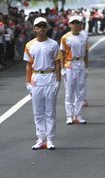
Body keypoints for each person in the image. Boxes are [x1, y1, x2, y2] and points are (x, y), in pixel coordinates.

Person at [24, 17, 62, 150]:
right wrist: (28, 83)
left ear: (47, 28)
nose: (41, 28)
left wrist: (58, 81)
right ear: (34, 29)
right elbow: (29, 66)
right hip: (36, 80)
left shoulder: (53, 44)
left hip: (50, 77)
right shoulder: (29, 45)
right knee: (38, 112)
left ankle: (50, 139)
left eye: (43, 26)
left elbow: (58, 64)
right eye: (38, 26)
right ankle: (41, 138)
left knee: (50, 112)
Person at [60, 16, 89, 125]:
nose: (76, 24)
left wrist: (86, 67)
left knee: (81, 92)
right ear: (69, 25)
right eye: (73, 22)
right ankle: (69, 116)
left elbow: (86, 53)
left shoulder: (84, 37)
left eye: (78, 22)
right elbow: (61, 54)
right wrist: (62, 69)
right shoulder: (65, 37)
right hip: (69, 65)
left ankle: (78, 115)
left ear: (81, 24)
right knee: (69, 92)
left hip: (80, 64)